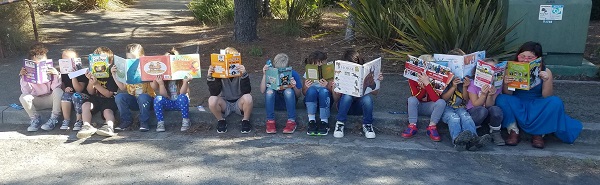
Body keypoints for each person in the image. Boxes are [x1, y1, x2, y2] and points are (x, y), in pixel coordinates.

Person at [496, 41, 583, 148]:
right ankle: (513, 131)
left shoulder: (546, 71)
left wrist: (546, 80)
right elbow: (508, 94)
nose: (525, 60)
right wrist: (506, 83)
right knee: (501, 98)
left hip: (536, 104)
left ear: (538, 59)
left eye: (530, 58)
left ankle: (538, 134)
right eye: (522, 56)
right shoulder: (510, 69)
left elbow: (547, 96)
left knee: (555, 102)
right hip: (517, 102)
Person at [331, 49, 382, 139]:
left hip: (360, 107)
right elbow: (336, 99)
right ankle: (340, 124)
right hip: (344, 106)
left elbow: (375, 93)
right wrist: (334, 89)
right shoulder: (339, 74)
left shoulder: (365, 74)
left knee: (367, 98)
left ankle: (367, 125)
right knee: (347, 96)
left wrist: (376, 80)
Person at [76, 46, 120, 138]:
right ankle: (87, 125)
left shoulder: (112, 76)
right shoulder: (94, 74)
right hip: (96, 98)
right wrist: (91, 81)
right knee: (86, 105)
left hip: (109, 100)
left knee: (107, 111)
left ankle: (109, 126)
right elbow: (90, 92)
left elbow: (108, 94)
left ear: (110, 62)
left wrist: (96, 84)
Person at [207, 47, 253, 134]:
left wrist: (244, 75)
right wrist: (211, 76)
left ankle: (245, 121)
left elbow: (246, 91)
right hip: (225, 102)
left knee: (248, 97)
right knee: (212, 99)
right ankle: (221, 121)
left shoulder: (240, 71)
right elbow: (214, 93)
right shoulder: (219, 73)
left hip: (239, 102)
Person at [19, 43, 64, 132]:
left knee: (58, 91)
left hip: (50, 99)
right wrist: (23, 77)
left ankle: (54, 118)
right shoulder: (26, 72)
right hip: (36, 100)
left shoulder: (51, 70)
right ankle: (35, 119)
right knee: (22, 97)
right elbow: (26, 91)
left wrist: (56, 75)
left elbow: (56, 88)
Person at [402, 56, 446, 141]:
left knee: (441, 102)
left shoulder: (436, 80)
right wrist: (423, 89)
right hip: (418, 107)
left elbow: (435, 99)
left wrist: (427, 84)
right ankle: (412, 125)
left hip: (430, 107)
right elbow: (416, 96)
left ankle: (432, 126)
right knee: (411, 99)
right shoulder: (412, 79)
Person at [113, 44, 156, 131]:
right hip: (133, 100)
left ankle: (144, 122)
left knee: (143, 97)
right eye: (129, 59)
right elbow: (122, 88)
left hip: (147, 101)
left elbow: (154, 87)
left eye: (134, 59)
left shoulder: (147, 68)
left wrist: (152, 77)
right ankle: (126, 121)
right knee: (119, 97)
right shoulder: (127, 70)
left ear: (142, 57)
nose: (131, 61)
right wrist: (114, 75)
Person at [260, 53, 302, 134]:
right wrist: (264, 75)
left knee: (288, 91)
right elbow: (262, 91)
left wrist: (294, 86)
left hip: (289, 102)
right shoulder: (270, 72)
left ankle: (291, 121)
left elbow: (299, 95)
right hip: (275, 102)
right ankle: (270, 121)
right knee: (269, 91)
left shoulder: (293, 73)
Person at [151, 48, 192, 132]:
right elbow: (163, 95)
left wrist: (185, 82)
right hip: (168, 103)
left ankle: (186, 120)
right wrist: (161, 84)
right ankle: (160, 122)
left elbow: (183, 93)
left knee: (182, 97)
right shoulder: (163, 77)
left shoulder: (181, 76)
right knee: (157, 99)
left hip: (180, 104)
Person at [466, 58, 505, 146]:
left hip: (487, 112)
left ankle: (495, 131)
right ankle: (473, 130)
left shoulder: (497, 85)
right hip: (474, 112)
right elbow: (475, 104)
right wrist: (483, 94)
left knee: (496, 110)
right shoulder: (473, 84)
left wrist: (490, 95)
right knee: (481, 110)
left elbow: (489, 105)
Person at [302, 51, 333, 136]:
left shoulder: (330, 74)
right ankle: (311, 120)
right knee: (311, 90)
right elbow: (304, 92)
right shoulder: (307, 74)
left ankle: (324, 122)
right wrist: (307, 87)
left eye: (321, 65)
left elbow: (333, 93)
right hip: (311, 100)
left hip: (326, 99)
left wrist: (327, 86)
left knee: (323, 91)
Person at [58, 48, 88, 130]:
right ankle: (66, 120)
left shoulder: (82, 73)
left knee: (76, 95)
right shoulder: (63, 73)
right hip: (70, 95)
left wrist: (73, 76)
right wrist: (65, 88)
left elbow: (79, 89)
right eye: (65, 60)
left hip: (83, 96)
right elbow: (61, 85)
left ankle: (79, 120)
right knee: (65, 95)